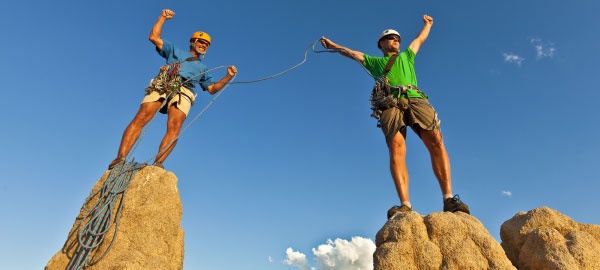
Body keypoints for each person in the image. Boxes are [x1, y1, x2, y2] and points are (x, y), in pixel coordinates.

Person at [320, 15, 470, 218]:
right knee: (397, 149)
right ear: (381, 44)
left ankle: (449, 199)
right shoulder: (374, 62)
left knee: (436, 141)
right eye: (391, 38)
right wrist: (332, 46)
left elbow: (419, 40)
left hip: (415, 98)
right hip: (390, 104)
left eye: (397, 38)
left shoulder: (407, 56)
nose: (396, 40)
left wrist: (428, 25)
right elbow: (353, 54)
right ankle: (405, 205)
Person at [108, 9, 237, 170]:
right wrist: (162, 18)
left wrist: (228, 76)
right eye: (200, 41)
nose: (203, 45)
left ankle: (157, 165)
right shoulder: (176, 51)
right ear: (192, 42)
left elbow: (211, 88)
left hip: (185, 90)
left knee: (175, 127)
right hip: (166, 81)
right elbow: (154, 37)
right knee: (142, 116)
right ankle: (120, 158)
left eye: (206, 44)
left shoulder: (204, 68)